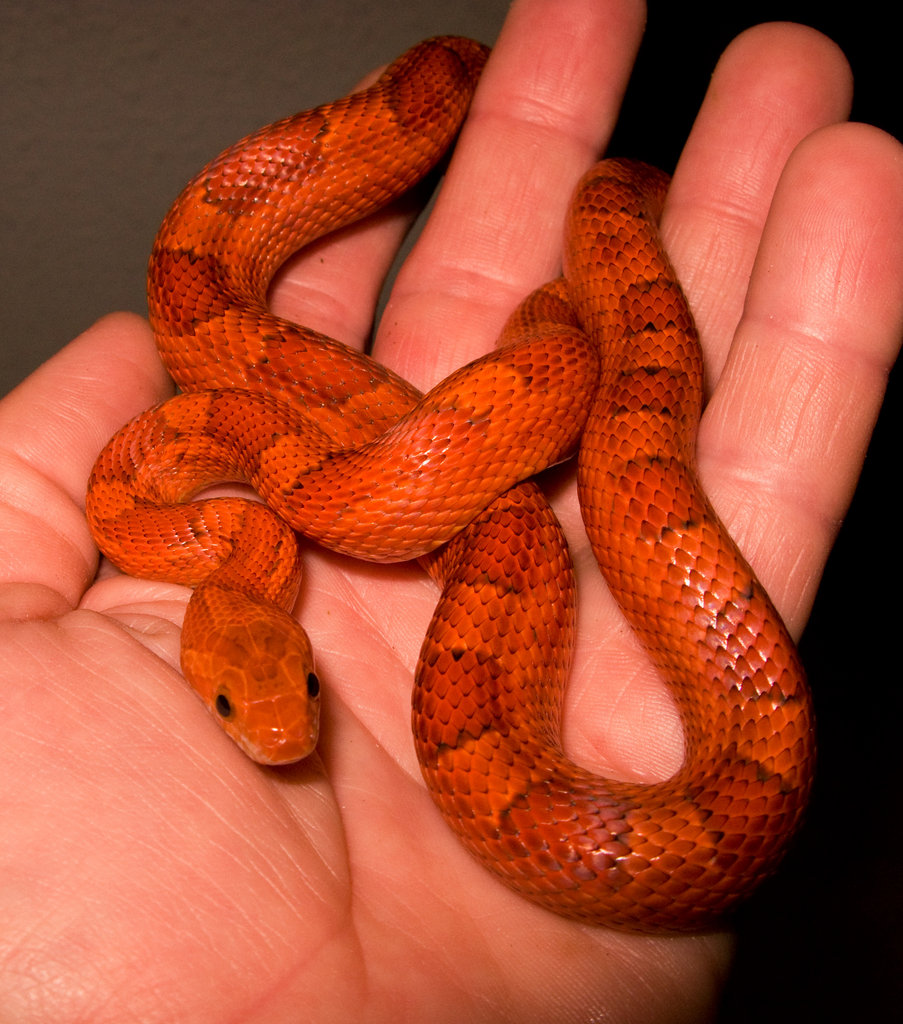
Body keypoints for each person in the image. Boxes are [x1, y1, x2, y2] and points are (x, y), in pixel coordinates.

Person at [1, 1, 900, 1020]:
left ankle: (589, 254)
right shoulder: (177, 511)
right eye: (233, 704)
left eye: (292, 684)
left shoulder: (201, 507)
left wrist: (584, 267)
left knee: (550, 270)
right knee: (548, 357)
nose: (293, 731)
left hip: (481, 412)